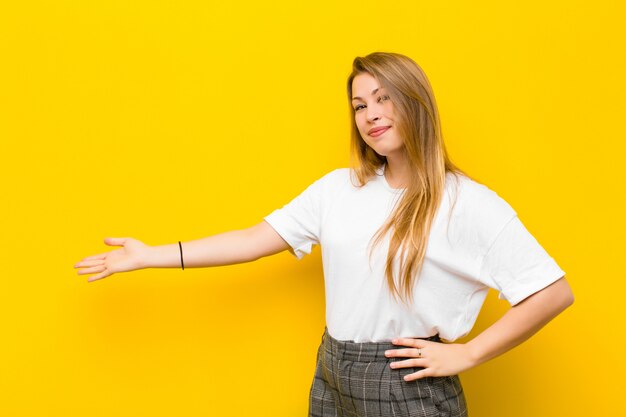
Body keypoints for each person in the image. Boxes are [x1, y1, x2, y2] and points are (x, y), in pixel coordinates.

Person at [74, 52, 574, 417]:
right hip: (332, 371)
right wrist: (150, 255)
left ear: (416, 102)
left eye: (383, 98)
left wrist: (466, 353)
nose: (371, 115)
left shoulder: (465, 202)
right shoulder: (340, 189)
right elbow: (251, 240)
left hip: (403, 383)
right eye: (359, 106)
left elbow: (553, 292)